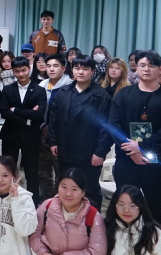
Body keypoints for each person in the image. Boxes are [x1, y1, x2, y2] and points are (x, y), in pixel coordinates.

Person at [108, 50, 161, 225]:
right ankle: (123, 238)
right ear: (136, 68)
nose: (146, 69)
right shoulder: (124, 94)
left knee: (155, 208)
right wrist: (132, 150)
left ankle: (154, 240)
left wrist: (141, 147)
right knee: (125, 203)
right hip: (126, 159)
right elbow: (114, 125)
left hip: (155, 162)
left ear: (160, 69)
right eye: (142, 65)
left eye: (151, 65)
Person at [47, 55, 113, 210]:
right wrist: (53, 142)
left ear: (93, 71)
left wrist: (100, 152)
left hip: (89, 154)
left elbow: (107, 128)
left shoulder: (101, 95)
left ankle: (92, 221)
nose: (80, 72)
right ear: (72, 70)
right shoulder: (63, 92)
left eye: (85, 69)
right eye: (77, 68)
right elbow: (53, 120)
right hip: (65, 150)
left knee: (89, 189)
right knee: (66, 186)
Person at [0, 56, 47, 204]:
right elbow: (4, 112)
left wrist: (16, 110)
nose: (21, 74)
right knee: (8, 171)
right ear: (13, 71)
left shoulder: (39, 90)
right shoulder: (8, 89)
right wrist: (27, 118)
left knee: (32, 172)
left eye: (23, 70)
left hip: (31, 137)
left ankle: (32, 203)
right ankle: (6, 200)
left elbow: (39, 114)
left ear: (29, 69)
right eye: (17, 71)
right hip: (10, 135)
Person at [29, 168, 106, 255]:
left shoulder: (93, 216)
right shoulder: (47, 206)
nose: (68, 194)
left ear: (83, 193)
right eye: (64, 187)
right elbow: (34, 233)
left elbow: (98, 251)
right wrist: (44, 253)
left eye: (74, 189)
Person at [103, 185, 161, 255]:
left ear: (140, 206)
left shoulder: (154, 232)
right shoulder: (106, 227)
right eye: (121, 205)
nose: (126, 210)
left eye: (132, 206)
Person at [37, 54, 72, 201]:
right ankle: (46, 200)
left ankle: (60, 201)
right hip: (41, 133)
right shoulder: (42, 85)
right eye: (49, 66)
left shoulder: (70, 87)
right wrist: (42, 125)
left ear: (63, 68)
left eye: (56, 66)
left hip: (61, 137)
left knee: (61, 171)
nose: (51, 69)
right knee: (43, 172)